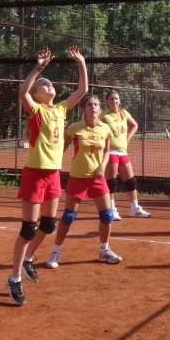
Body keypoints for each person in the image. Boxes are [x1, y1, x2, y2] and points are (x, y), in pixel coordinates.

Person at [6, 46, 88, 306]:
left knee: (49, 224)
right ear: (37, 94)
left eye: (50, 82)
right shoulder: (36, 110)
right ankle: (14, 278)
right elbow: (22, 92)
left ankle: (29, 259)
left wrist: (81, 63)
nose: (49, 84)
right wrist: (38, 69)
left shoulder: (60, 110)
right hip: (34, 174)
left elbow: (82, 90)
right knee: (28, 228)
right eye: (44, 84)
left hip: (52, 174)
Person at [45, 94, 122, 269]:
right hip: (78, 177)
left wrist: (102, 166)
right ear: (83, 109)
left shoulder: (105, 129)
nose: (93, 107)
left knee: (107, 215)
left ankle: (104, 251)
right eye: (89, 105)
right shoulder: (75, 128)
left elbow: (107, 151)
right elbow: (60, 148)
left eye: (96, 105)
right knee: (68, 216)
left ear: (100, 110)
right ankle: (55, 252)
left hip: (98, 178)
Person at [100, 89, 150, 219]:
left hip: (123, 151)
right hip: (110, 151)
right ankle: (112, 210)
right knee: (111, 183)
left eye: (116, 98)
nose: (114, 101)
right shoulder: (104, 115)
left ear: (119, 100)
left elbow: (135, 125)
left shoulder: (124, 113)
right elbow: (97, 128)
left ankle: (135, 209)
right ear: (107, 101)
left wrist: (128, 137)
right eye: (111, 99)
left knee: (131, 182)